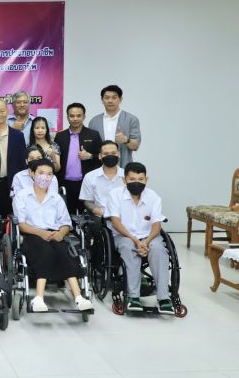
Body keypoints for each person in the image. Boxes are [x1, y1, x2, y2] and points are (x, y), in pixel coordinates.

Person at [12, 159, 93, 313]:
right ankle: (38, 298)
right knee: (45, 252)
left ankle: (79, 297)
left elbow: (65, 223)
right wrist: (41, 233)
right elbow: (21, 224)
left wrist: (61, 233)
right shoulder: (22, 196)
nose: (45, 177)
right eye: (41, 173)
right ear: (32, 174)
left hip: (55, 234)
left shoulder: (56, 198)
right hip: (32, 234)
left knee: (65, 253)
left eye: (49, 174)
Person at [106, 162, 173, 314]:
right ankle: (133, 296)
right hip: (124, 235)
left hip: (148, 236)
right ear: (124, 180)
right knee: (128, 247)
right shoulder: (115, 194)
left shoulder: (153, 197)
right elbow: (115, 222)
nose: (137, 182)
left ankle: (163, 297)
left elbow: (156, 224)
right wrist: (136, 241)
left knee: (159, 249)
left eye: (141, 179)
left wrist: (146, 242)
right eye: (132, 179)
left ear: (146, 179)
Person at [54, 103, 102, 214]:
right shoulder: (60, 136)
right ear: (67, 117)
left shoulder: (93, 135)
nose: (75, 119)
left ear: (84, 116)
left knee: (86, 216)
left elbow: (102, 157)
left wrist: (90, 156)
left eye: (78, 115)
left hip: (85, 184)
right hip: (64, 184)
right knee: (65, 214)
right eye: (72, 116)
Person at [88, 85, 141, 167]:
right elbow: (91, 147)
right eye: (107, 98)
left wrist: (126, 140)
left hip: (123, 166)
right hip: (99, 167)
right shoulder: (94, 121)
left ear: (120, 99)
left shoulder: (131, 119)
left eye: (114, 97)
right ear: (102, 100)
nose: (110, 101)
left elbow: (135, 146)